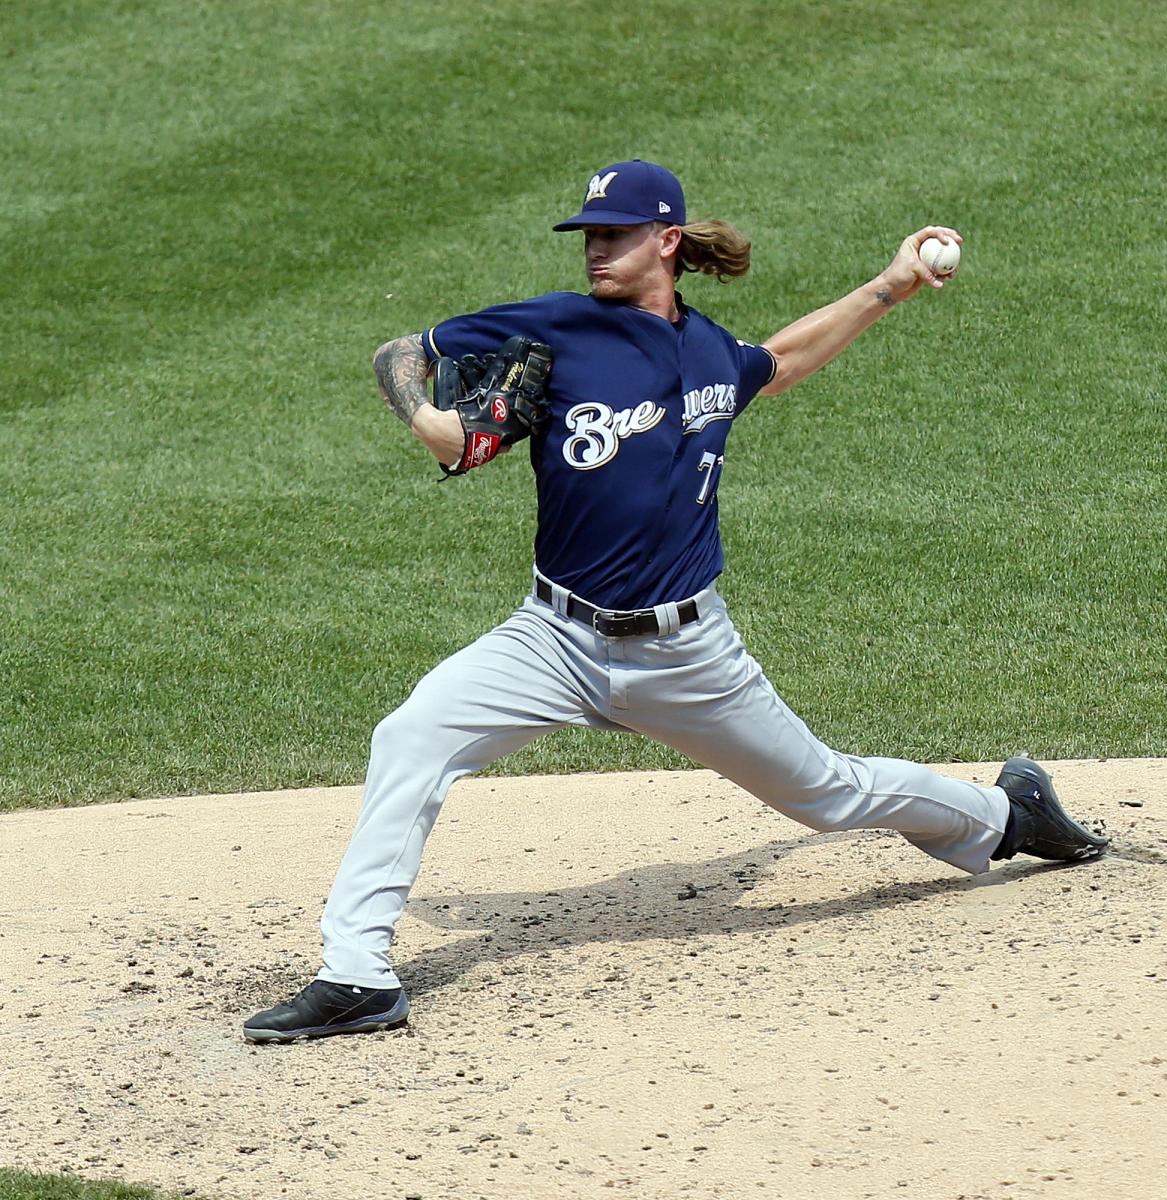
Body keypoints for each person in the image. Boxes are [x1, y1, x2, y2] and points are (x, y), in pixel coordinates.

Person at [243, 159, 1108, 1043]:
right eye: (588, 237)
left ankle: (1009, 813)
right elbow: (401, 353)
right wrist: (429, 419)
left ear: (666, 241)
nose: (596, 253)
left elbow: (779, 363)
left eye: (614, 235)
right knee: (412, 736)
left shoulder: (707, 351)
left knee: (827, 794)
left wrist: (888, 287)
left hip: (687, 655)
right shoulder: (560, 324)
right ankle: (356, 973)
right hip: (553, 637)